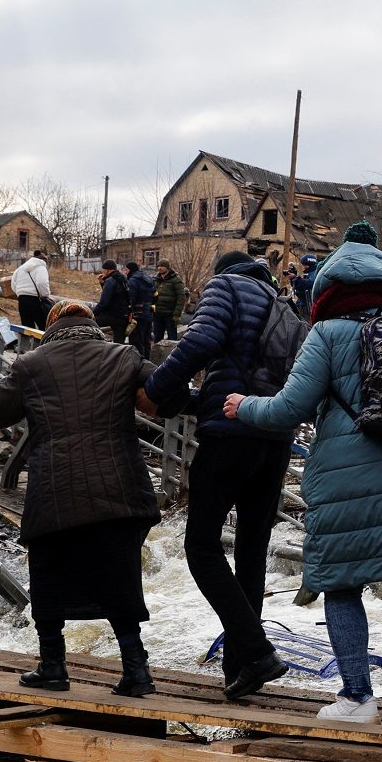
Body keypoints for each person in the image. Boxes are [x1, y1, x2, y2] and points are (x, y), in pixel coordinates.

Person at [224, 235, 382, 722]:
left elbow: (290, 408)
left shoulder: (328, 335)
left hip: (346, 479)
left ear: (328, 290)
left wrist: (243, 406)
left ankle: (358, 697)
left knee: (342, 585)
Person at [0, 300, 170, 697]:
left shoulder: (31, 364)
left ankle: (53, 667)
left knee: (48, 576)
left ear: (50, 328)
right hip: (120, 489)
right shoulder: (126, 356)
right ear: (93, 325)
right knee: (120, 577)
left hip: (55, 491)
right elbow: (167, 394)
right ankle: (137, 670)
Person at [141, 250, 295, 700]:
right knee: (251, 550)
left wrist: (154, 390)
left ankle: (260, 652)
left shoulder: (225, 286)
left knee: (200, 545)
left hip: (229, 438)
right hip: (275, 439)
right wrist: (188, 399)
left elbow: (201, 342)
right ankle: (242, 669)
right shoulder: (283, 303)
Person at [10, 249, 50, 334]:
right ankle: (43, 346)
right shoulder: (41, 267)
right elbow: (42, 283)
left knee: (27, 329)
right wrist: (45, 295)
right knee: (44, 327)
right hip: (35, 300)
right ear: (43, 260)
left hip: (22, 299)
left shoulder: (20, 268)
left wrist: (20, 293)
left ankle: (27, 347)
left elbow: (13, 284)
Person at [93, 260, 130, 343]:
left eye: (103, 269)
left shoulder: (110, 281)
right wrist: (103, 284)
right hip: (124, 316)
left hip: (112, 315)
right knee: (119, 343)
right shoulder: (123, 278)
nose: (102, 272)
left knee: (90, 322)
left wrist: (92, 313)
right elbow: (116, 294)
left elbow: (104, 302)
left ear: (108, 270)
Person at [123, 261, 155, 357]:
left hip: (138, 314)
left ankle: (139, 364)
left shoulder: (133, 280)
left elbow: (131, 299)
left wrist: (128, 313)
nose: (125, 272)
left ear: (130, 270)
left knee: (136, 340)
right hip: (149, 313)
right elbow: (155, 295)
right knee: (146, 340)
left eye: (126, 270)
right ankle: (147, 363)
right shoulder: (149, 278)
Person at [150, 260, 185, 344]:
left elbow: (181, 297)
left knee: (172, 339)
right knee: (157, 338)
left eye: (162, 266)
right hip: (157, 314)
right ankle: (157, 356)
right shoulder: (156, 279)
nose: (159, 268)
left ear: (167, 267)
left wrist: (177, 314)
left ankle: (171, 355)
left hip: (170, 314)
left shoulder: (176, 279)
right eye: (158, 266)